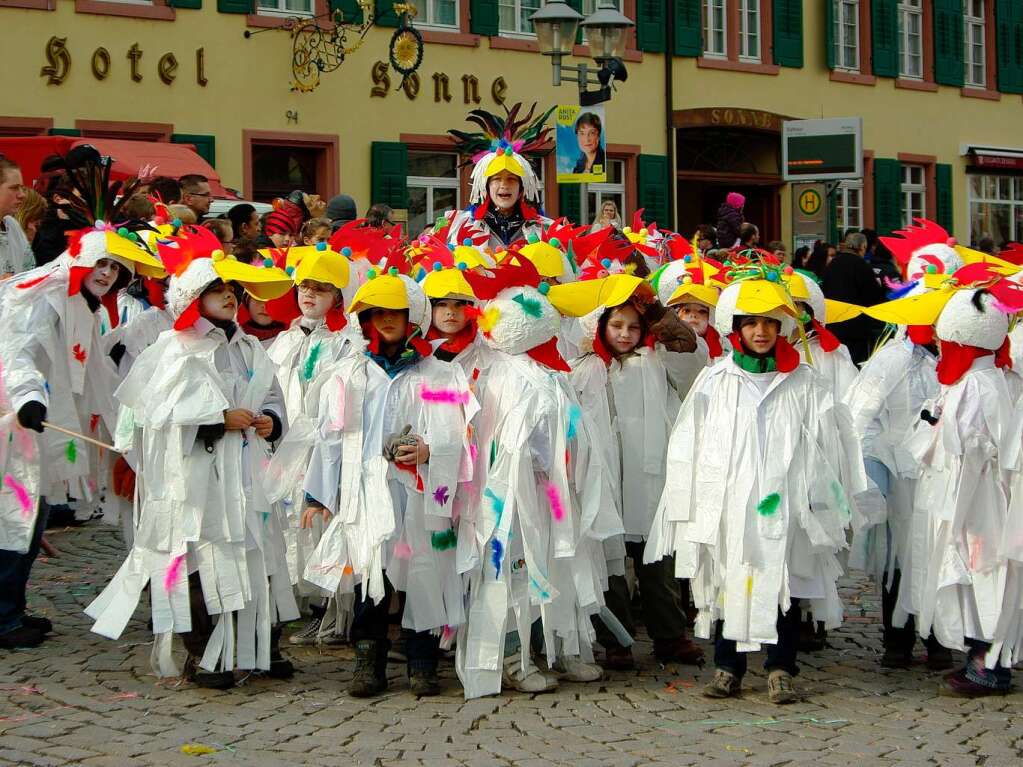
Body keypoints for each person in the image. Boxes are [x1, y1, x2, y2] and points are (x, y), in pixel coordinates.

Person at [645, 255, 874, 705]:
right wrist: (692, 502)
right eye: (751, 324)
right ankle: (728, 666)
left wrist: (822, 500)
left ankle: (781, 666)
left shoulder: (804, 383)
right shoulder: (717, 380)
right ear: (737, 328)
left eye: (770, 323)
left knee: (782, 581)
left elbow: (826, 444)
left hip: (784, 500)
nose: (761, 332)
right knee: (731, 580)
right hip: (730, 501)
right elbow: (691, 443)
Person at [86, 227, 298, 688]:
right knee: (205, 562)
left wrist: (269, 420)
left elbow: (275, 397)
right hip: (198, 481)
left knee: (259, 555)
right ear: (192, 298)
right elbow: (147, 419)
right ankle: (206, 654)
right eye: (216, 291)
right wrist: (215, 419)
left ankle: (262, 644)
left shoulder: (248, 348)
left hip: (247, 473)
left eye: (231, 291)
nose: (228, 298)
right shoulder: (173, 351)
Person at [301, 268, 475, 698]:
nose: (387, 321)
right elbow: (331, 435)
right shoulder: (352, 375)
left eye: (396, 313)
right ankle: (368, 659)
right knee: (369, 575)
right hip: (368, 493)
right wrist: (318, 492)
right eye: (377, 313)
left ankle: (422, 660)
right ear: (365, 319)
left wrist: (430, 451)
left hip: (421, 494)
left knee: (425, 572)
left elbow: (456, 428)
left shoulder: (438, 375)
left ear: (413, 316)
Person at [454, 258, 622, 698]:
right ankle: (511, 654)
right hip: (510, 492)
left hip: (555, 489)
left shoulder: (551, 371)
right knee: (512, 569)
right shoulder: (498, 374)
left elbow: (571, 427)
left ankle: (563, 644)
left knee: (562, 562)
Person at [0, 201, 165, 648]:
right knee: (16, 516)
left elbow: (98, 376)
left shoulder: (80, 305)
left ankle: (11, 608)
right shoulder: (46, 296)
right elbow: (18, 351)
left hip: (40, 427)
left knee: (30, 518)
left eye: (116, 267)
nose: (108, 273)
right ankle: (4, 617)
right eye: (101, 262)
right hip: (18, 426)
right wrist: (29, 397)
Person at [870, 263, 1023, 696]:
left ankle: (988, 664)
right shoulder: (982, 380)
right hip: (974, 497)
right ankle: (984, 657)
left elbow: (963, 449)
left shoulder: (979, 386)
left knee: (984, 574)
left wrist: (931, 434)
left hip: (976, 502)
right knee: (979, 576)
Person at [568, 272, 705, 671]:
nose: (625, 334)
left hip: (649, 478)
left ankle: (670, 634)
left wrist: (663, 318)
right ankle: (617, 639)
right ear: (601, 326)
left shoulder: (657, 361)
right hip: (606, 477)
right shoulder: (587, 368)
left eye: (633, 326)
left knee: (657, 563)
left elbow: (692, 363)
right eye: (616, 325)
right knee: (610, 564)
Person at [262, 242, 352, 647]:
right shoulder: (284, 341)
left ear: (337, 295)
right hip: (285, 448)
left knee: (326, 523)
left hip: (323, 446)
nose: (310, 295)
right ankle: (303, 602)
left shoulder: (346, 342)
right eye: (304, 288)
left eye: (320, 288)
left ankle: (335, 612)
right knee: (292, 523)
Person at [446, 103, 554, 249]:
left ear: (521, 189)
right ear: (486, 186)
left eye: (512, 179)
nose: (504, 185)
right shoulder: (462, 226)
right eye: (496, 179)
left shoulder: (545, 230)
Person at [821, 232, 886, 364]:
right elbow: (873, 298)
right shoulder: (862, 266)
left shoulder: (831, 265)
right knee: (854, 365)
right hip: (855, 327)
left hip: (832, 325)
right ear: (862, 247)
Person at [0, 157, 32, 278]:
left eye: (21, 188)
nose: (22, 195)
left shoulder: (13, 225)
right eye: (14, 188)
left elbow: (29, 271)